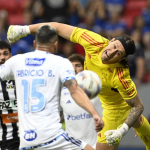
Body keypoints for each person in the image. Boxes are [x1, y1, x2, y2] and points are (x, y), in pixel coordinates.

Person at [7, 23, 150, 150]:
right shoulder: (94, 41)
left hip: (115, 109)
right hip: (101, 97)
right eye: (114, 46)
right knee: (135, 121)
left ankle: (135, 124)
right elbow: (56, 27)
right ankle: (138, 123)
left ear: (122, 59)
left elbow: (138, 106)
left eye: (118, 53)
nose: (111, 52)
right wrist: (25, 29)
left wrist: (122, 129)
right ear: (111, 40)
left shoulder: (120, 76)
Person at [5, 25, 103, 150]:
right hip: (51, 136)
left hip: (26, 141)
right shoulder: (61, 63)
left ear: (35, 43)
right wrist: (94, 114)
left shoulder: (16, 61)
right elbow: (74, 90)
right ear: (55, 44)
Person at [60, 54, 102, 149]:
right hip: (72, 146)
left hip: (95, 146)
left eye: (78, 66)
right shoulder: (62, 92)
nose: (74, 69)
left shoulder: (96, 89)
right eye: (70, 66)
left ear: (84, 69)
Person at [0, 41, 19, 150]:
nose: (2, 58)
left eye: (5, 54)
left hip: (25, 137)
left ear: (11, 56)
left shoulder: (21, 79)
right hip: (5, 139)